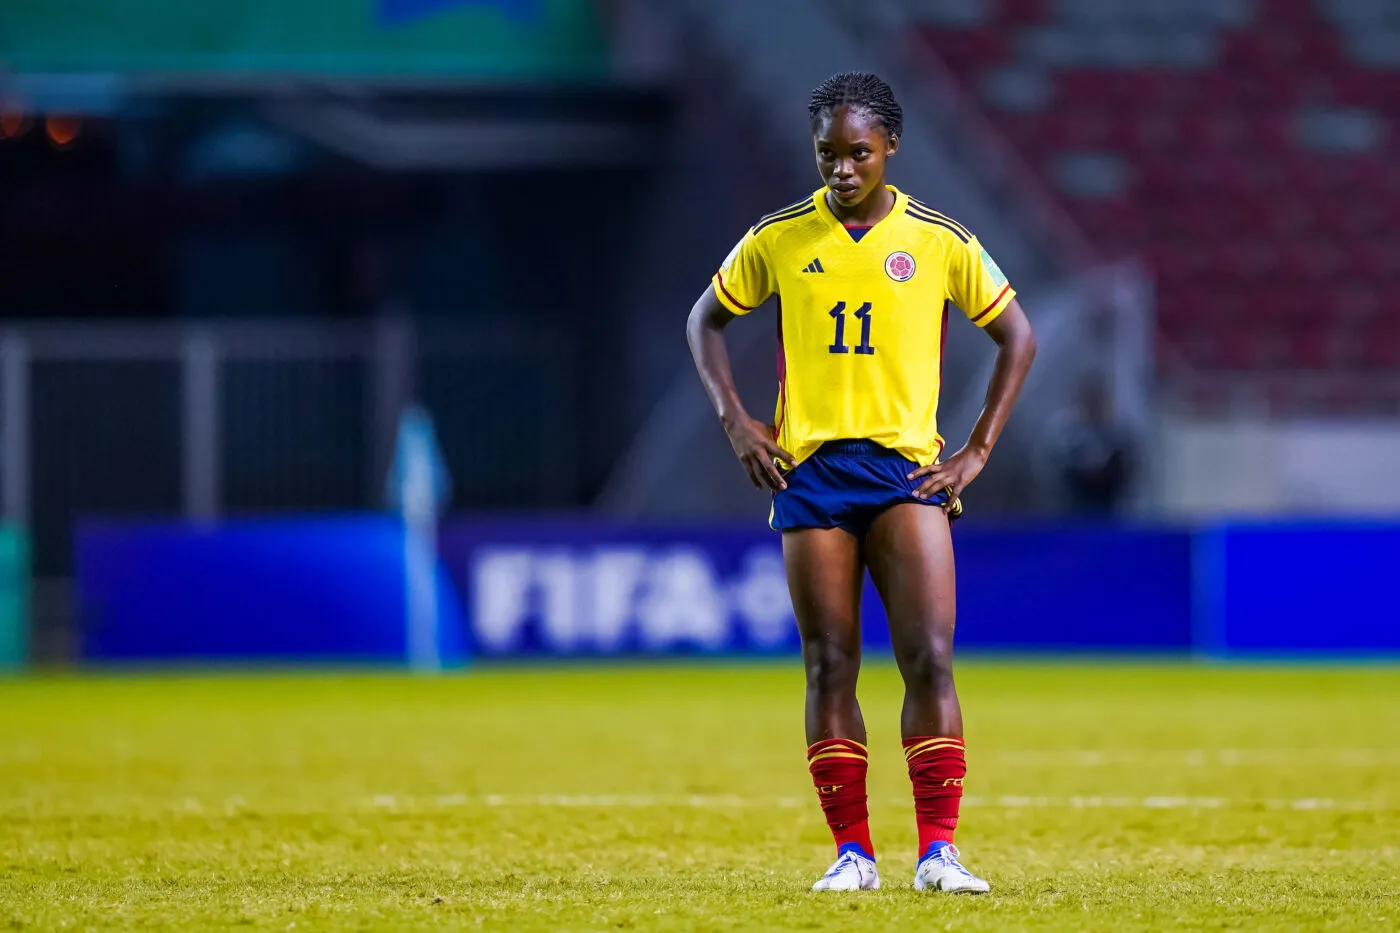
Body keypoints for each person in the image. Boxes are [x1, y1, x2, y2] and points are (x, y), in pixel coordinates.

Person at [686, 72, 1036, 894]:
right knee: (829, 663)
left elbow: (1017, 335)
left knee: (930, 657)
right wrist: (737, 420)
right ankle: (853, 853)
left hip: (906, 471)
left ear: (891, 147)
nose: (841, 168)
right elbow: (705, 319)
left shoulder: (939, 239)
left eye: (858, 152)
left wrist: (977, 449)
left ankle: (939, 852)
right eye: (827, 154)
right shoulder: (779, 237)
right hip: (812, 474)